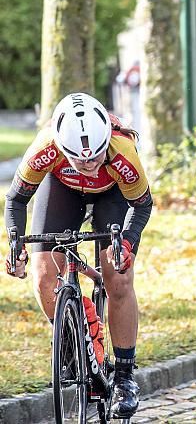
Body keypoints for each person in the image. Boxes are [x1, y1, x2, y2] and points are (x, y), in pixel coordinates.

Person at [4, 92, 152, 418]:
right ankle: (72, 349)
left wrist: (125, 243)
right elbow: (15, 200)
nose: (89, 165)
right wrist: (15, 244)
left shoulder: (122, 151)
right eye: (80, 160)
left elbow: (142, 205)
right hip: (61, 188)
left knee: (118, 277)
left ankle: (125, 377)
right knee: (44, 277)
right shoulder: (46, 148)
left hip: (112, 195)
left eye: (96, 157)